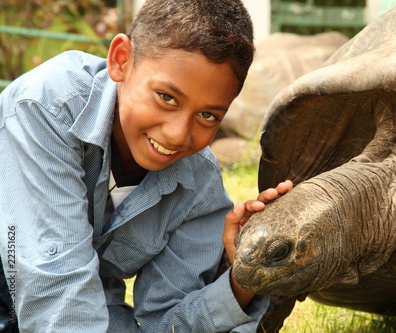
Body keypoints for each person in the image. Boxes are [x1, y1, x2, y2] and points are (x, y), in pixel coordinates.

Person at [0, 0, 293, 332]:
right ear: (121, 60)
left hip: (90, 310)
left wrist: (245, 275)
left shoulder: (199, 185)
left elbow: (167, 323)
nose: (178, 134)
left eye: (208, 115)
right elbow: (53, 282)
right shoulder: (46, 107)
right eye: (166, 97)